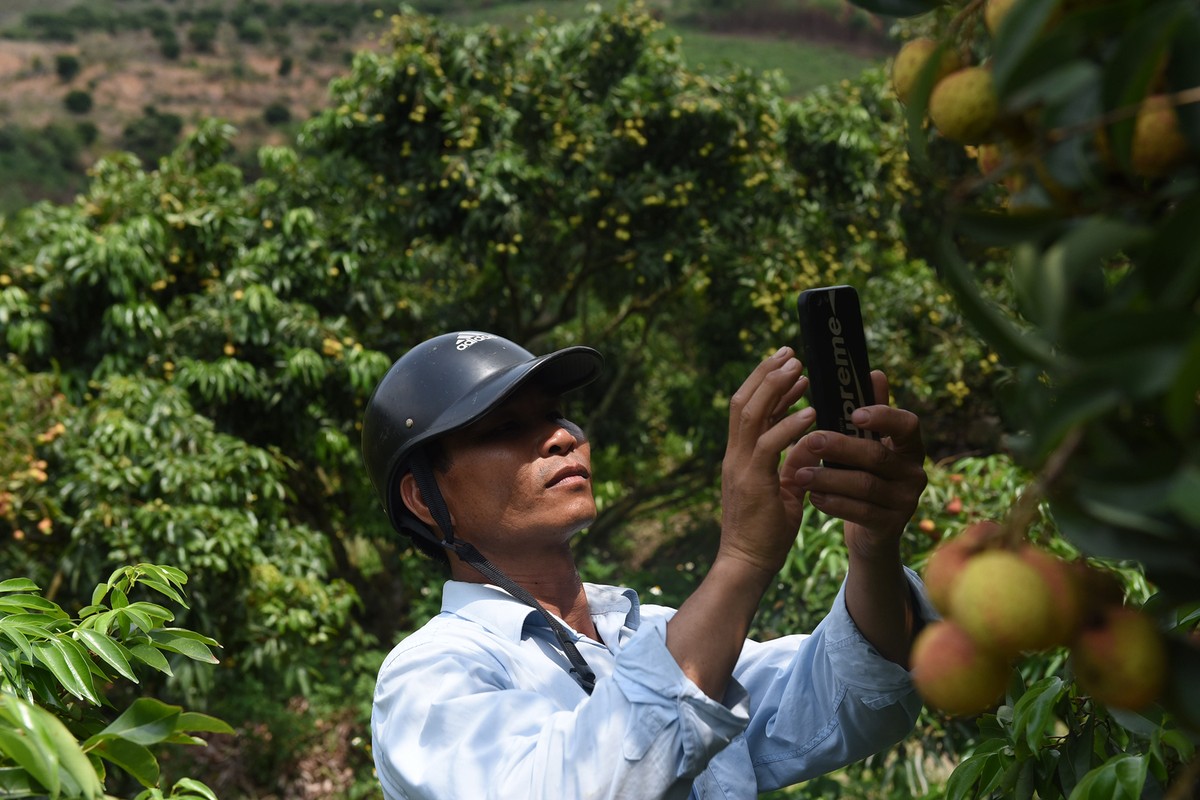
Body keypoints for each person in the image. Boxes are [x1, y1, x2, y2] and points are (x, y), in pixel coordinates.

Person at [361, 330, 933, 800]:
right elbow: (569, 785)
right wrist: (741, 560)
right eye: (506, 428)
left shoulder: (649, 631)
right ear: (422, 499)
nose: (562, 436)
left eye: (556, 415)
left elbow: (849, 698)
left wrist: (872, 547)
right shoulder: (430, 677)